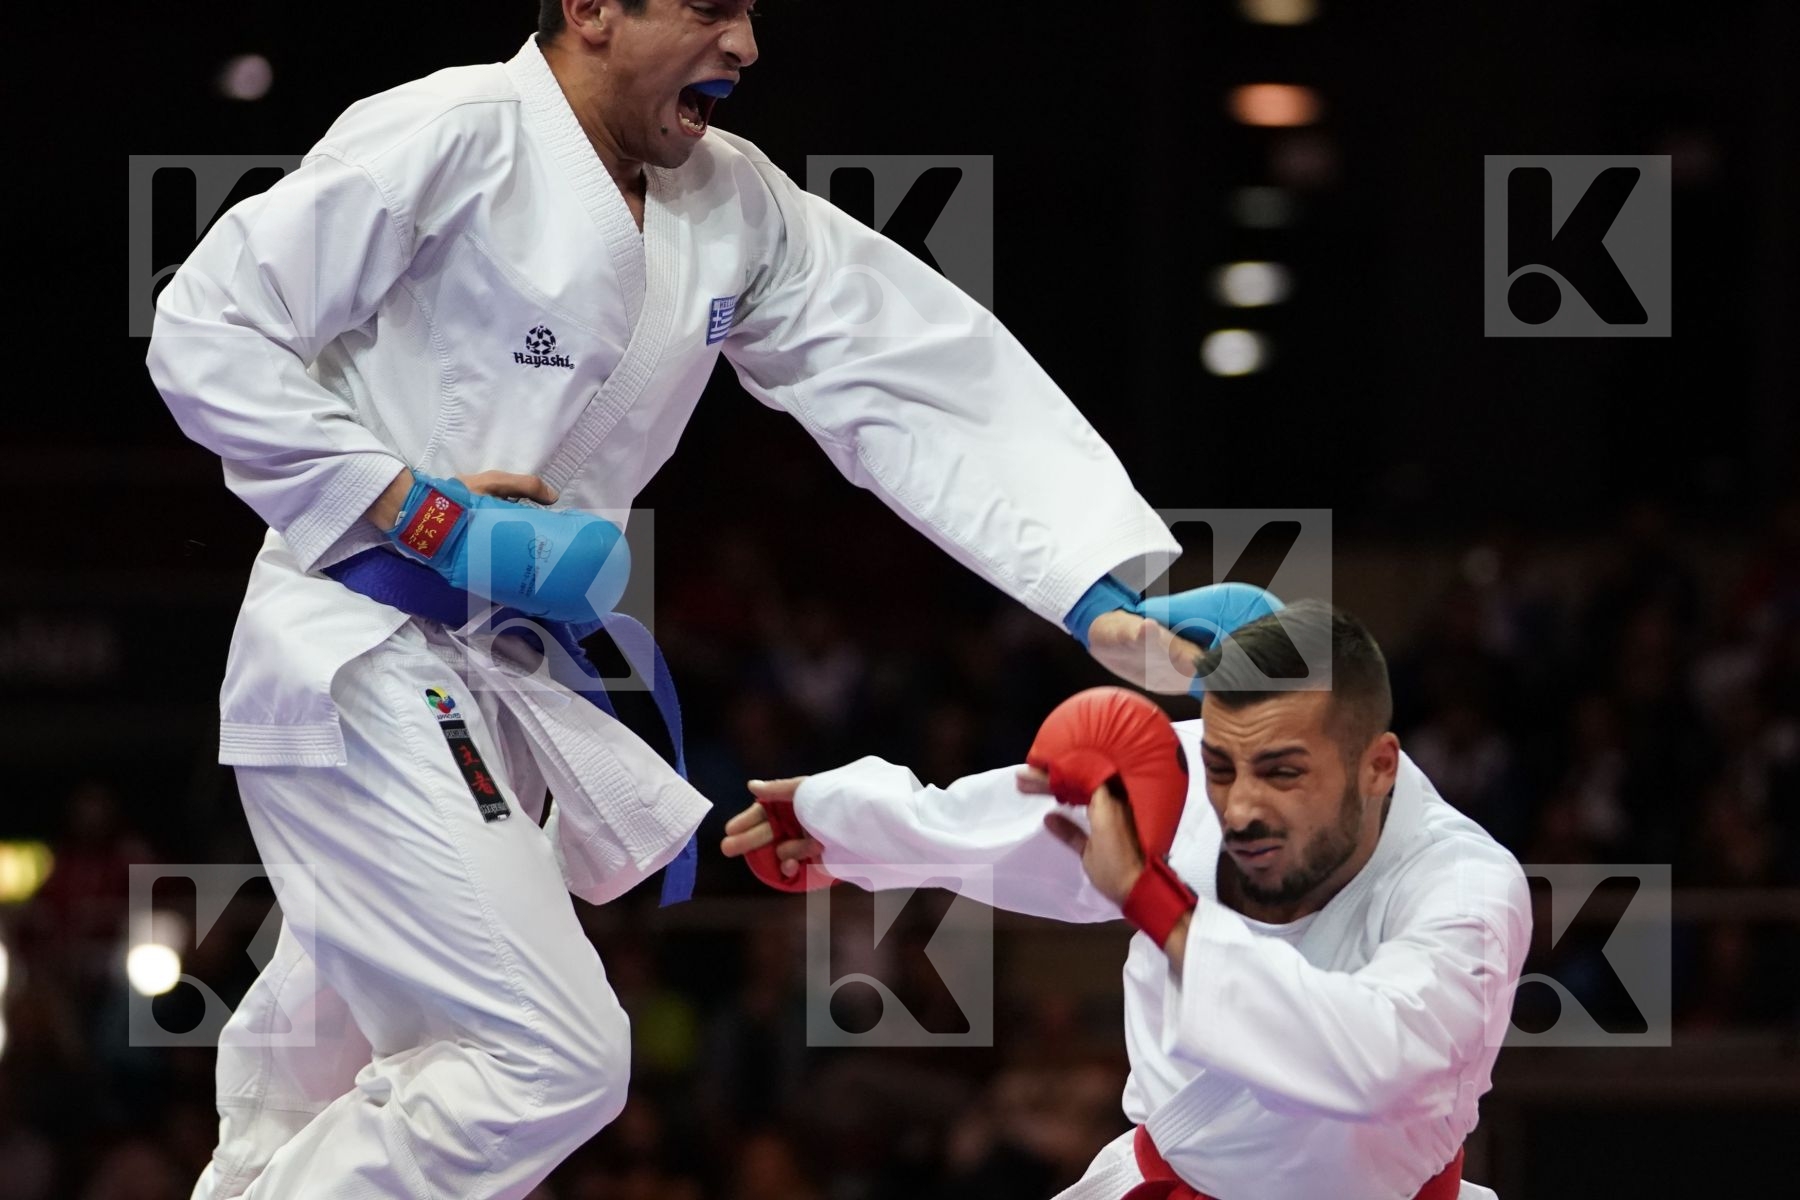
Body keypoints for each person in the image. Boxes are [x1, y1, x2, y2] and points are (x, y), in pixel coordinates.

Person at [143, 1, 1242, 1194]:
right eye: (711, 7)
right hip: (360, 652)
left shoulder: (735, 206)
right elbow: (208, 325)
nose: (748, 45)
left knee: (313, 1085)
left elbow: (912, 371)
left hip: (499, 683)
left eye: (754, 11)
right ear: (594, 9)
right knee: (545, 1055)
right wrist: (420, 511)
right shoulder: (447, 135)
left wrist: (1102, 586)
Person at [723, 601, 1531, 1200]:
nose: (1240, 806)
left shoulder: (1466, 889)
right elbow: (1024, 820)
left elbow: (1376, 1063)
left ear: (1378, 766)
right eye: (1222, 765)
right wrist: (839, 828)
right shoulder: (1191, 773)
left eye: (1283, 772)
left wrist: (1156, 904)